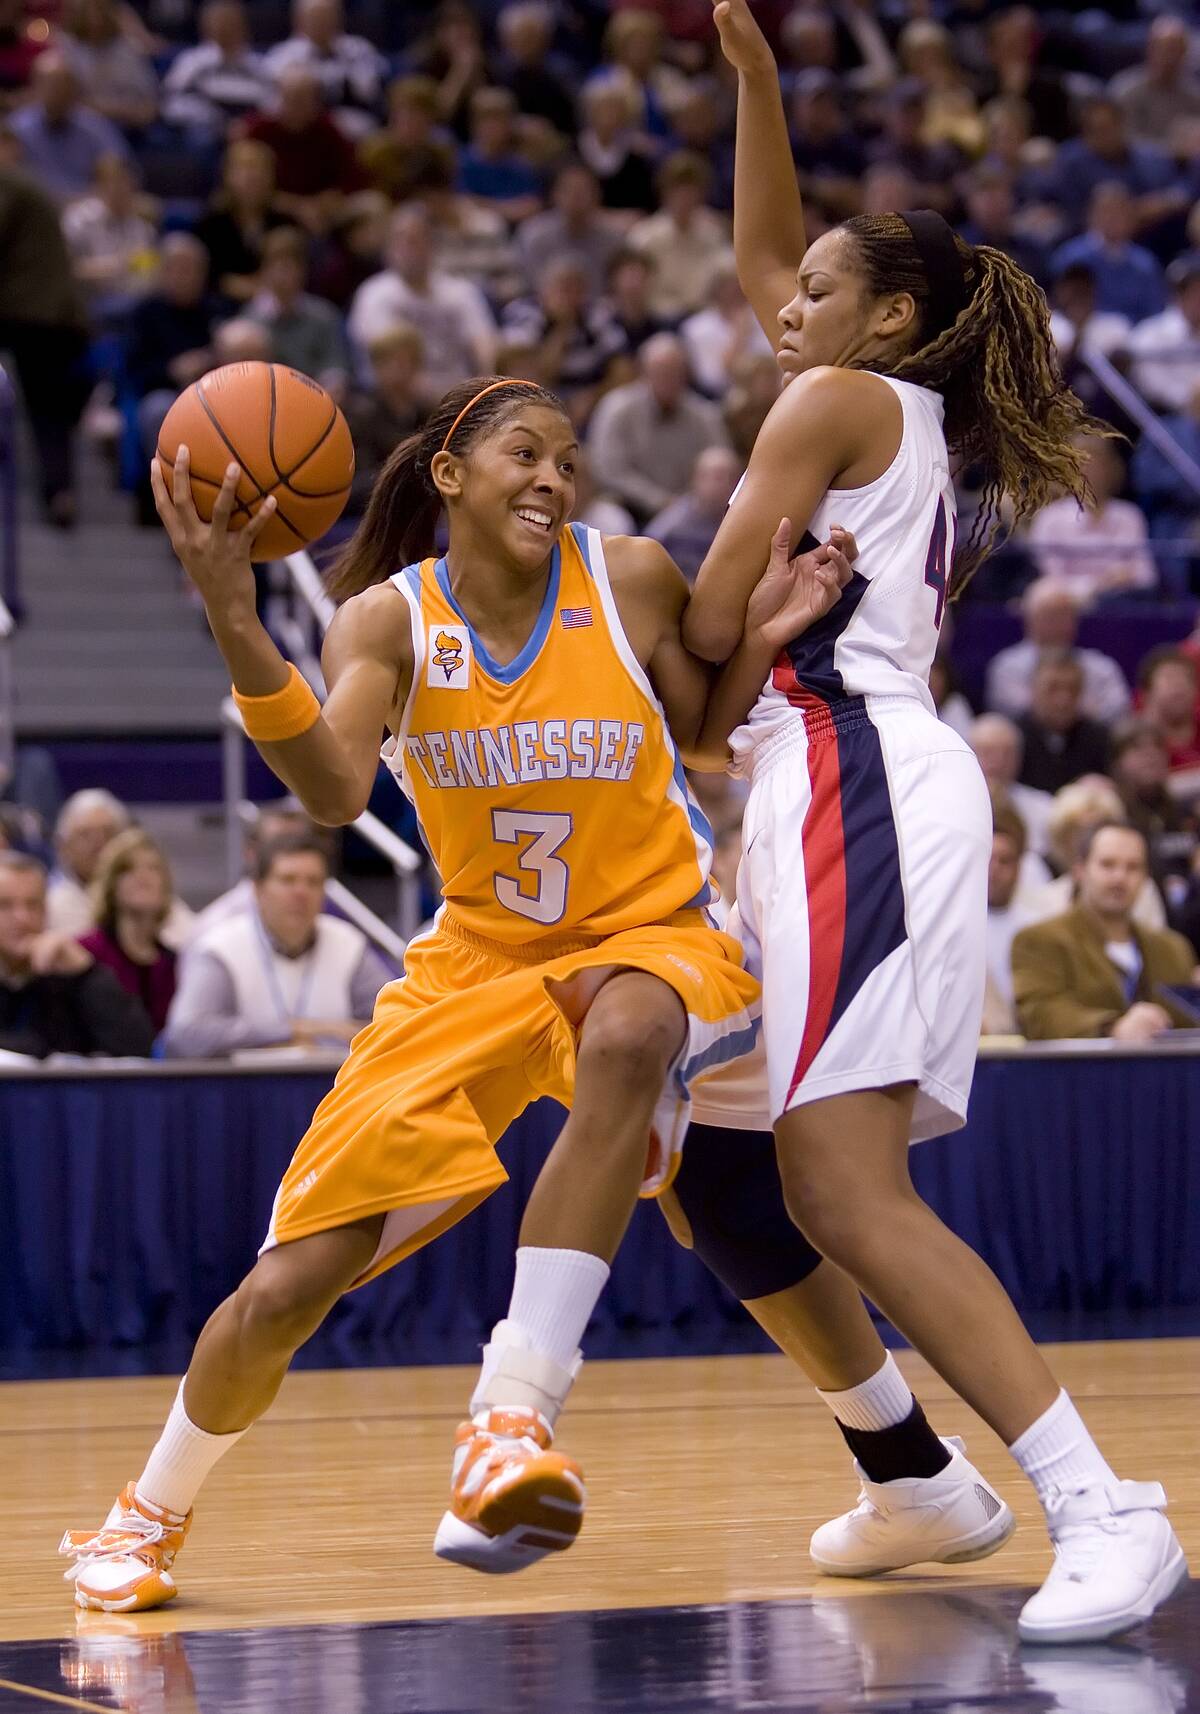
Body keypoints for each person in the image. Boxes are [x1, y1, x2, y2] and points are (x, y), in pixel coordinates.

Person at [65, 372, 861, 1608]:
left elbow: (702, 735)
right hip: (478, 963)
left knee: (636, 1023)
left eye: (569, 461)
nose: (555, 478)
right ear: (449, 474)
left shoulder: (631, 573)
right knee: (284, 1289)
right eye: (526, 456)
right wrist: (233, 616)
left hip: (655, 929)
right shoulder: (386, 624)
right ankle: (146, 1510)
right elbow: (332, 794)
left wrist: (762, 630)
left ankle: (510, 1415)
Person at [676, 0, 1185, 1646]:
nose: (778, 312)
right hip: (818, 780)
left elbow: (704, 631)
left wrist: (614, 623)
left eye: (817, 295)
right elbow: (769, 259)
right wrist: (755, 82)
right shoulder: (870, 399)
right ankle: (912, 1470)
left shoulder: (834, 409)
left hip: (853, 774)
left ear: (886, 316)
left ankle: (1101, 1503)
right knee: (711, 1163)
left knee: (845, 1180)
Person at [163, 832, 388, 1059]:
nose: (301, 893)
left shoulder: (347, 943)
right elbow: (186, 1034)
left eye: (313, 882)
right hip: (244, 1090)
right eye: (288, 880)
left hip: (337, 1085)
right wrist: (291, 1030)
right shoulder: (220, 946)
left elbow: (394, 1020)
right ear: (258, 890)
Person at [1012, 823, 1197, 1042]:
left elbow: (1188, 1023)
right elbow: (1040, 1014)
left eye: (1133, 867)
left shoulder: (1173, 948)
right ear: (1080, 870)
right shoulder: (1039, 940)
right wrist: (1112, 1027)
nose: (1120, 877)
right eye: (1108, 865)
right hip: (1078, 1074)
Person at [0, 161, 91, 527]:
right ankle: (60, 493)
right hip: (57, 315)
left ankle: (58, 493)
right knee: (49, 414)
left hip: (29, 313)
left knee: (46, 409)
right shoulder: (25, 186)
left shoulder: (9, 187)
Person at [0, 851, 155, 1058]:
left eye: (33, 905)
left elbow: (137, 1048)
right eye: (5, 906)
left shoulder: (69, 974)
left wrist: (86, 972)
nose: (22, 918)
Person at [348, 203, 497, 395]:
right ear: (388, 246)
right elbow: (391, 365)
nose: (408, 249)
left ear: (432, 244)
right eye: (400, 240)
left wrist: (488, 386)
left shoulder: (461, 291)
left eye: (416, 240)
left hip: (461, 395)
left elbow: (485, 345)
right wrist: (445, 402)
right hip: (401, 402)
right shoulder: (374, 293)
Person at [587, 333, 731, 525]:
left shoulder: (704, 415)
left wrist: (690, 502)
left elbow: (723, 463)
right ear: (643, 372)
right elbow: (608, 470)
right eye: (661, 371)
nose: (669, 379)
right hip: (630, 509)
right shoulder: (617, 408)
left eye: (675, 372)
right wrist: (659, 501)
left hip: (692, 512)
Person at [1027, 439, 1156, 606]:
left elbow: (1146, 576)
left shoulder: (1130, 516)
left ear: (1112, 470)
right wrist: (1098, 584)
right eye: (1082, 466)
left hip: (1118, 605)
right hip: (1065, 605)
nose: (1091, 473)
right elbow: (1048, 578)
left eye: (1098, 466)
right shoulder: (1051, 518)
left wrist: (1110, 584)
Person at [985, 581, 1131, 726]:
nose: (1060, 623)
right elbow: (1014, 709)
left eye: (1067, 615)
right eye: (1051, 615)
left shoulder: (1102, 666)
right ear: (1030, 618)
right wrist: (1084, 708)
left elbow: (1117, 708)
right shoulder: (1007, 666)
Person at [78, 828, 178, 1036]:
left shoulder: (175, 965)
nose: (142, 877)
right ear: (111, 885)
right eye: (128, 869)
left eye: (153, 868)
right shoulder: (85, 953)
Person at [7, 51, 129, 204]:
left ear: (74, 89)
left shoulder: (94, 126)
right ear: (35, 87)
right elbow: (8, 178)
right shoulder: (17, 128)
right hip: (35, 208)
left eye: (63, 86)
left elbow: (119, 171)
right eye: (50, 85)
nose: (57, 93)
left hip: (89, 205)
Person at [627, 153, 734, 322]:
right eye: (678, 189)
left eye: (692, 189)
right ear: (665, 192)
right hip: (656, 319)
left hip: (703, 318)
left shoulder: (713, 233)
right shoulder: (644, 236)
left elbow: (728, 274)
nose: (685, 196)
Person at [245, 225, 349, 396]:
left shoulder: (324, 315)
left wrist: (331, 386)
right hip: (265, 401)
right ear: (263, 270)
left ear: (302, 271)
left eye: (287, 267)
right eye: (274, 266)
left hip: (315, 398)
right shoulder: (249, 320)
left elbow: (335, 365)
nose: (281, 274)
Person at [262, 0, 387, 142]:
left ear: (340, 19)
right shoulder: (282, 56)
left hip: (354, 127)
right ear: (299, 21)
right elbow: (273, 103)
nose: (322, 24)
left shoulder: (359, 49)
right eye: (315, 18)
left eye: (328, 17)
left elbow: (368, 92)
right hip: (302, 127)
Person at [1049, 184, 1167, 327]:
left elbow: (1154, 311)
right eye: (1106, 212)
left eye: (1119, 213)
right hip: (1081, 329)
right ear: (1091, 215)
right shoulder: (1071, 256)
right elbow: (1057, 302)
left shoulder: (1144, 264)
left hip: (1132, 336)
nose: (1112, 219)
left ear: (1131, 219)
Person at [192, 139, 290, 305]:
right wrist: (233, 286)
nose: (252, 175)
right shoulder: (209, 224)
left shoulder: (285, 223)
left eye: (259, 167)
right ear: (227, 174)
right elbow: (203, 276)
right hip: (218, 308)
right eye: (244, 167)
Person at [162, 0, 271, 144]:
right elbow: (171, 103)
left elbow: (272, 102)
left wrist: (248, 123)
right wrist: (218, 123)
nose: (223, 27)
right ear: (205, 27)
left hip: (251, 129)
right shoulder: (192, 62)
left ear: (243, 26)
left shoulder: (260, 65)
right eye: (218, 22)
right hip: (207, 130)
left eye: (229, 21)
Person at [1017, 653, 1111, 796]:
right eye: (1053, 688)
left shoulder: (1101, 740)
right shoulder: (1015, 739)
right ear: (1033, 689)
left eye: (1072, 689)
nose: (1063, 699)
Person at [646, 446, 744, 585]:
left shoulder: (742, 522)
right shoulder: (671, 525)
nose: (726, 484)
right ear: (698, 479)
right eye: (719, 477)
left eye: (732, 477)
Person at [982, 794, 1036, 1035]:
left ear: (1019, 867)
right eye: (988, 860)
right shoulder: (954, 927)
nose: (995, 871)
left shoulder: (1036, 926)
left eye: (1005, 861)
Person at [45, 788, 130, 938]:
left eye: (108, 833)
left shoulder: (146, 896)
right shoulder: (48, 902)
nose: (99, 844)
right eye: (85, 834)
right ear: (63, 846)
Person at [1127, 251, 1200, 413]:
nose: (1197, 298)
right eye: (1192, 291)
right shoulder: (1150, 333)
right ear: (1178, 294)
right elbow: (1147, 381)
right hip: (1165, 416)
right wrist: (1188, 398)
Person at [1136, 647, 1200, 776]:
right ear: (1146, 694)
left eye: (1186, 678)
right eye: (1169, 678)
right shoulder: (1133, 743)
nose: (1179, 684)